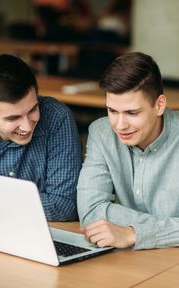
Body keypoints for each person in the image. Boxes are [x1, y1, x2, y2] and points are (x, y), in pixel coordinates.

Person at [77, 51, 179, 250]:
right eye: (112, 111)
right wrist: (169, 228)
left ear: (159, 105)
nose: (120, 125)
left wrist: (133, 233)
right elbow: (90, 211)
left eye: (132, 113)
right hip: (127, 260)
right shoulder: (101, 133)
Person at [0, 54, 82, 221]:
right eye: (13, 118)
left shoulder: (57, 117)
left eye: (33, 109)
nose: (27, 126)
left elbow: (64, 206)